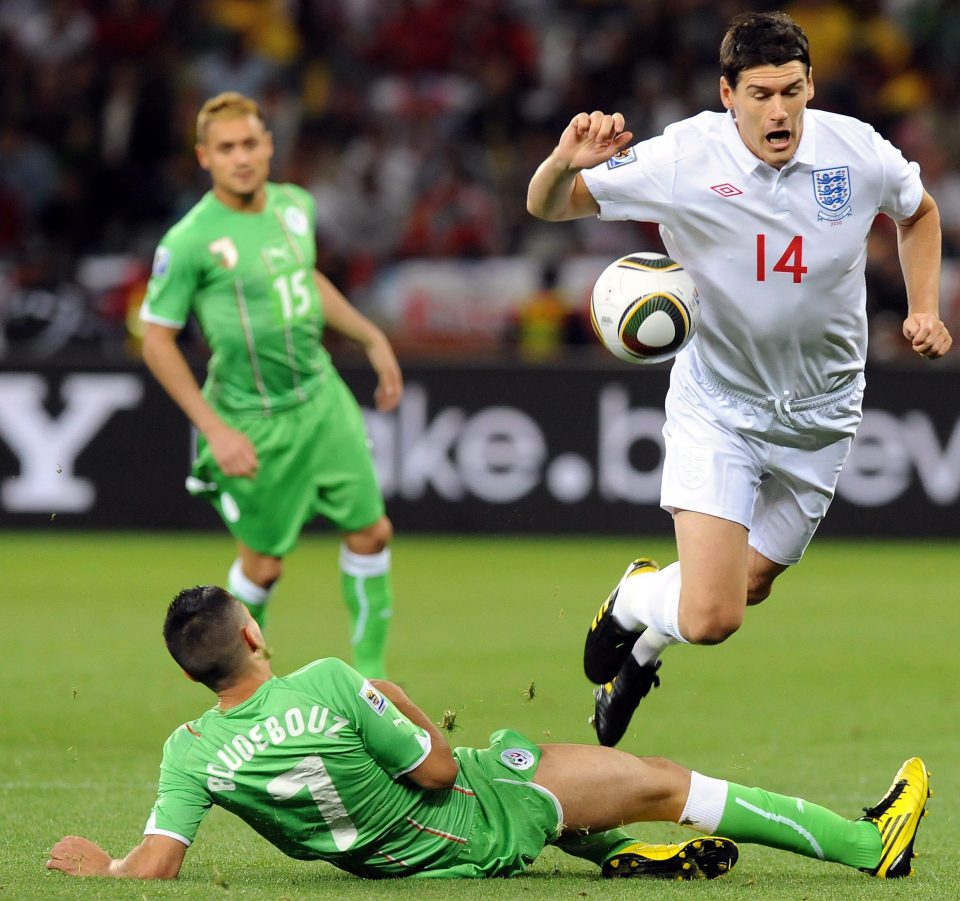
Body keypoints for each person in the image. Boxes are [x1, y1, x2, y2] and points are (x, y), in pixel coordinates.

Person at [526, 11, 953, 746]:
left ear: (812, 83)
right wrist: (563, 162)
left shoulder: (856, 151)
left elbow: (918, 213)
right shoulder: (684, 159)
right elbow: (547, 205)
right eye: (760, 94)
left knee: (750, 584)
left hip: (823, 414)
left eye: (792, 90)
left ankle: (642, 645)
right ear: (727, 94)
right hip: (720, 405)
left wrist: (924, 308)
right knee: (713, 616)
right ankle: (636, 599)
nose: (779, 110)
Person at [47, 585, 929, 882]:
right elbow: (432, 768)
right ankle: (868, 843)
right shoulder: (326, 681)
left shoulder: (189, 748)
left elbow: (157, 865)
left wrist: (109, 867)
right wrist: (399, 700)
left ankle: (618, 853)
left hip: (394, 854)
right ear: (251, 634)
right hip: (473, 811)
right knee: (663, 776)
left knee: (557, 771)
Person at [141, 92, 402, 678]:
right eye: (227, 148)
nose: (241, 157)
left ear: (269, 145)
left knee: (372, 530)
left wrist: (370, 337)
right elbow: (156, 340)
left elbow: (304, 278)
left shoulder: (295, 207)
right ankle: (239, 683)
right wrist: (216, 431)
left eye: (250, 143)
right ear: (204, 157)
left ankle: (373, 679)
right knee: (262, 567)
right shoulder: (188, 241)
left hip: (320, 397)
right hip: (250, 420)